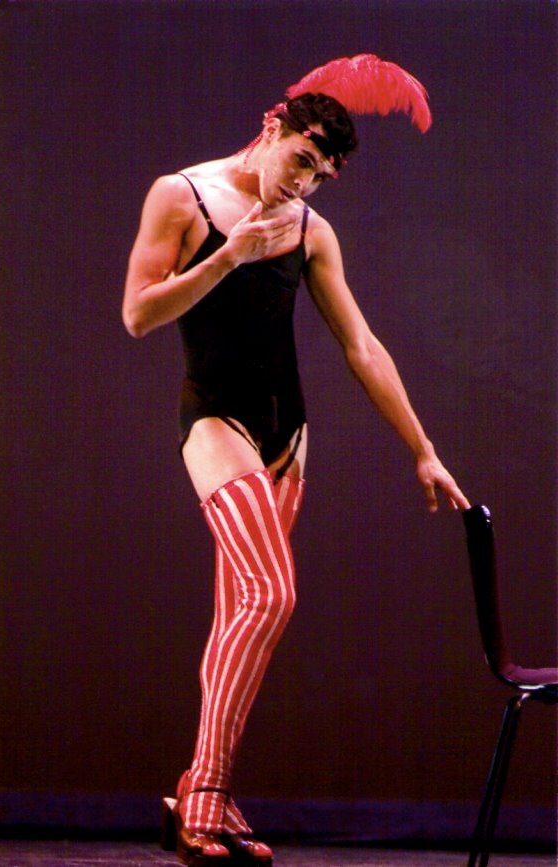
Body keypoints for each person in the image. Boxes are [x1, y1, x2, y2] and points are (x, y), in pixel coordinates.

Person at [122, 57, 470, 867]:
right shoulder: (183, 195)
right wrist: (227, 257)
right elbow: (139, 314)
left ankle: (203, 790)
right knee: (270, 593)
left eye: (321, 176)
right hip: (214, 418)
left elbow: (363, 346)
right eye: (302, 160)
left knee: (240, 618)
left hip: (288, 434)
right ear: (272, 126)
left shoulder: (311, 229)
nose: (304, 183)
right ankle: (205, 791)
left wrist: (423, 450)